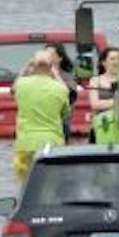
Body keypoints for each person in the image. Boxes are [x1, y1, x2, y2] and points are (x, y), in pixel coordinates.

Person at [11, 47, 71, 183]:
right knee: (51, 183)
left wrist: (27, 66)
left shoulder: (22, 84)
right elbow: (66, 111)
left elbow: (13, 88)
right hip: (52, 142)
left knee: (25, 185)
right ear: (51, 67)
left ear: (34, 66)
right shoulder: (59, 88)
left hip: (26, 142)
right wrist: (56, 74)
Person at [86, 46, 119, 116]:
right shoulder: (95, 81)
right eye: (112, 59)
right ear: (103, 62)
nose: (116, 62)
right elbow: (95, 104)